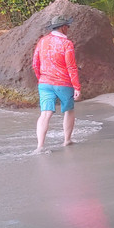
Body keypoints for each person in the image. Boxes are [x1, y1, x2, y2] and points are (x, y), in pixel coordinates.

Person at [32, 14, 81, 152]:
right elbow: (71, 67)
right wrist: (77, 87)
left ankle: (40, 146)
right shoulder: (67, 44)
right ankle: (67, 140)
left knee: (45, 114)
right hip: (64, 83)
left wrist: (40, 78)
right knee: (69, 110)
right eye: (68, 26)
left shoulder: (42, 41)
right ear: (63, 27)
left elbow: (35, 63)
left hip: (44, 83)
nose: (69, 28)